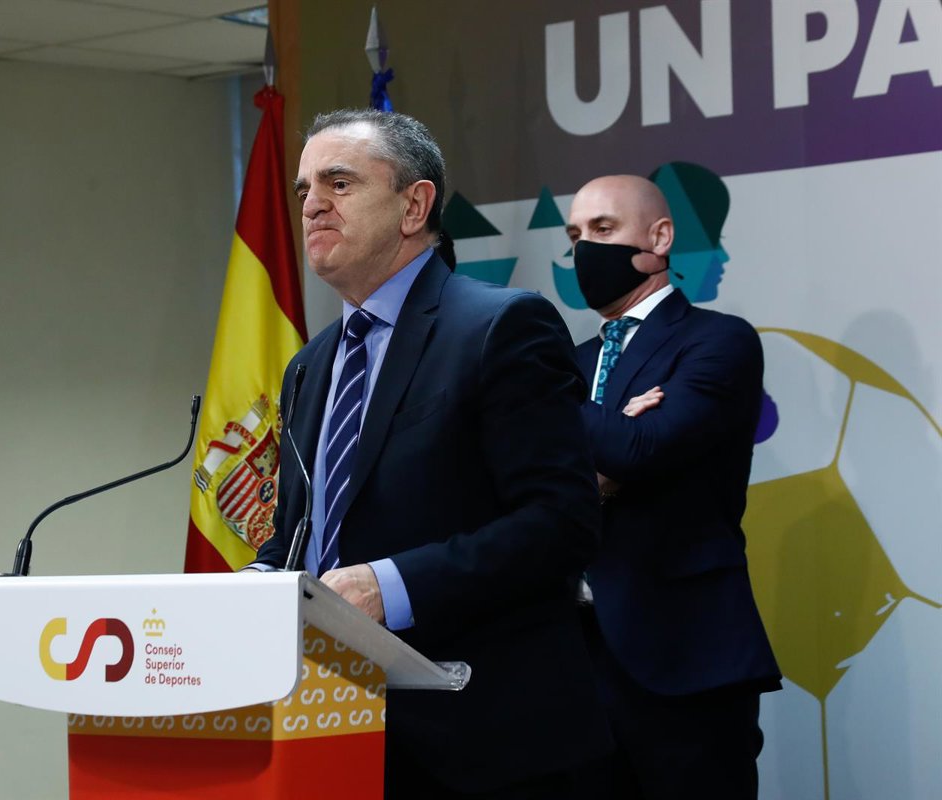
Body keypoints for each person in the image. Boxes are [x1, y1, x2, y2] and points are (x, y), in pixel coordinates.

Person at [249, 109, 611, 798]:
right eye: (303, 190)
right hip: (332, 727)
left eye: (339, 183)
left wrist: (386, 587)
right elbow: (303, 530)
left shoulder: (501, 326)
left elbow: (560, 523)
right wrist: (258, 580)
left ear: (414, 206)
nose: (312, 205)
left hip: (482, 736)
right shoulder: (309, 365)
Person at [564, 174, 782, 799]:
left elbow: (643, 450)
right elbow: (534, 493)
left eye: (603, 229)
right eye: (575, 236)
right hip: (575, 666)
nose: (585, 249)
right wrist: (606, 452)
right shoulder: (572, 363)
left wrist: (552, 399)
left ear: (659, 239)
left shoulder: (717, 340)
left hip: (684, 658)